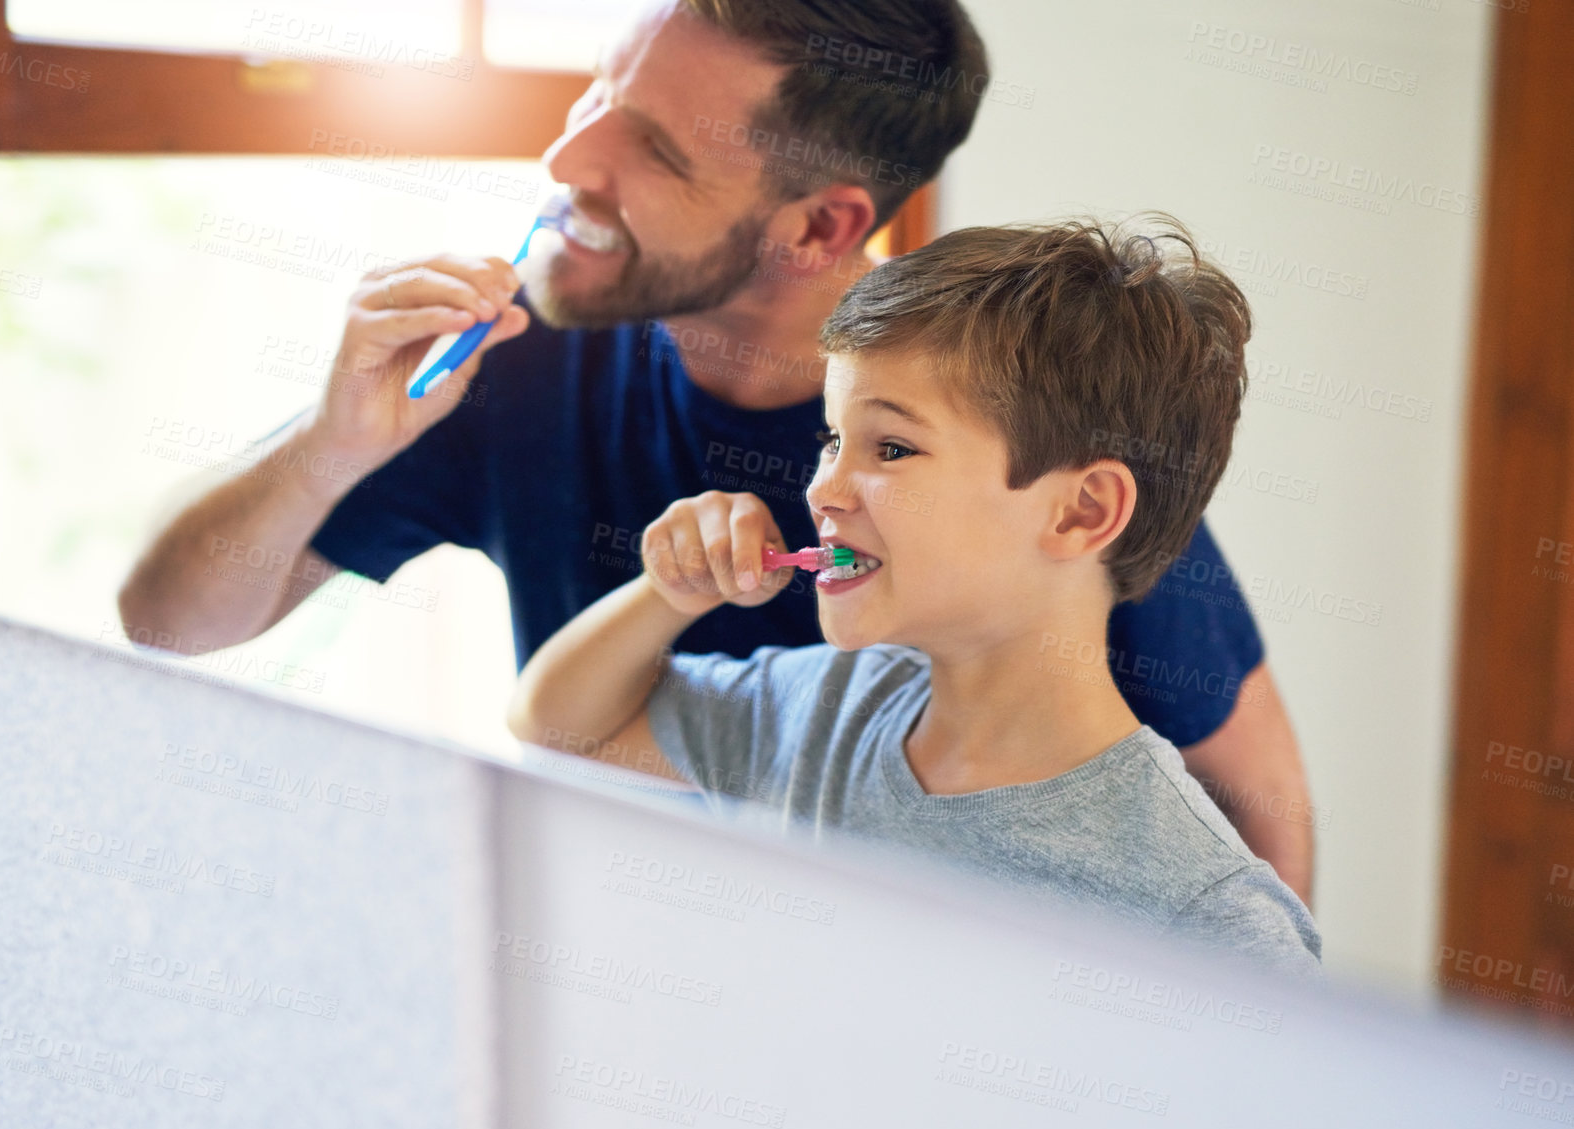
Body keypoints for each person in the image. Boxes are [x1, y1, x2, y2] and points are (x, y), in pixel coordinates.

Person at [117, 0, 1315, 902]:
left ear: (822, 225)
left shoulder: (1017, 440)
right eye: (595, 92)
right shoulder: (508, 366)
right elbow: (170, 621)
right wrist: (333, 445)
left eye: (651, 146)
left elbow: (1252, 800)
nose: (567, 160)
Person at [507, 220, 1321, 974]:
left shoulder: (1207, 921)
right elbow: (559, 728)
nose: (821, 487)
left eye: (890, 447)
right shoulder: (826, 709)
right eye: (833, 438)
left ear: (1081, 511)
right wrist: (668, 592)